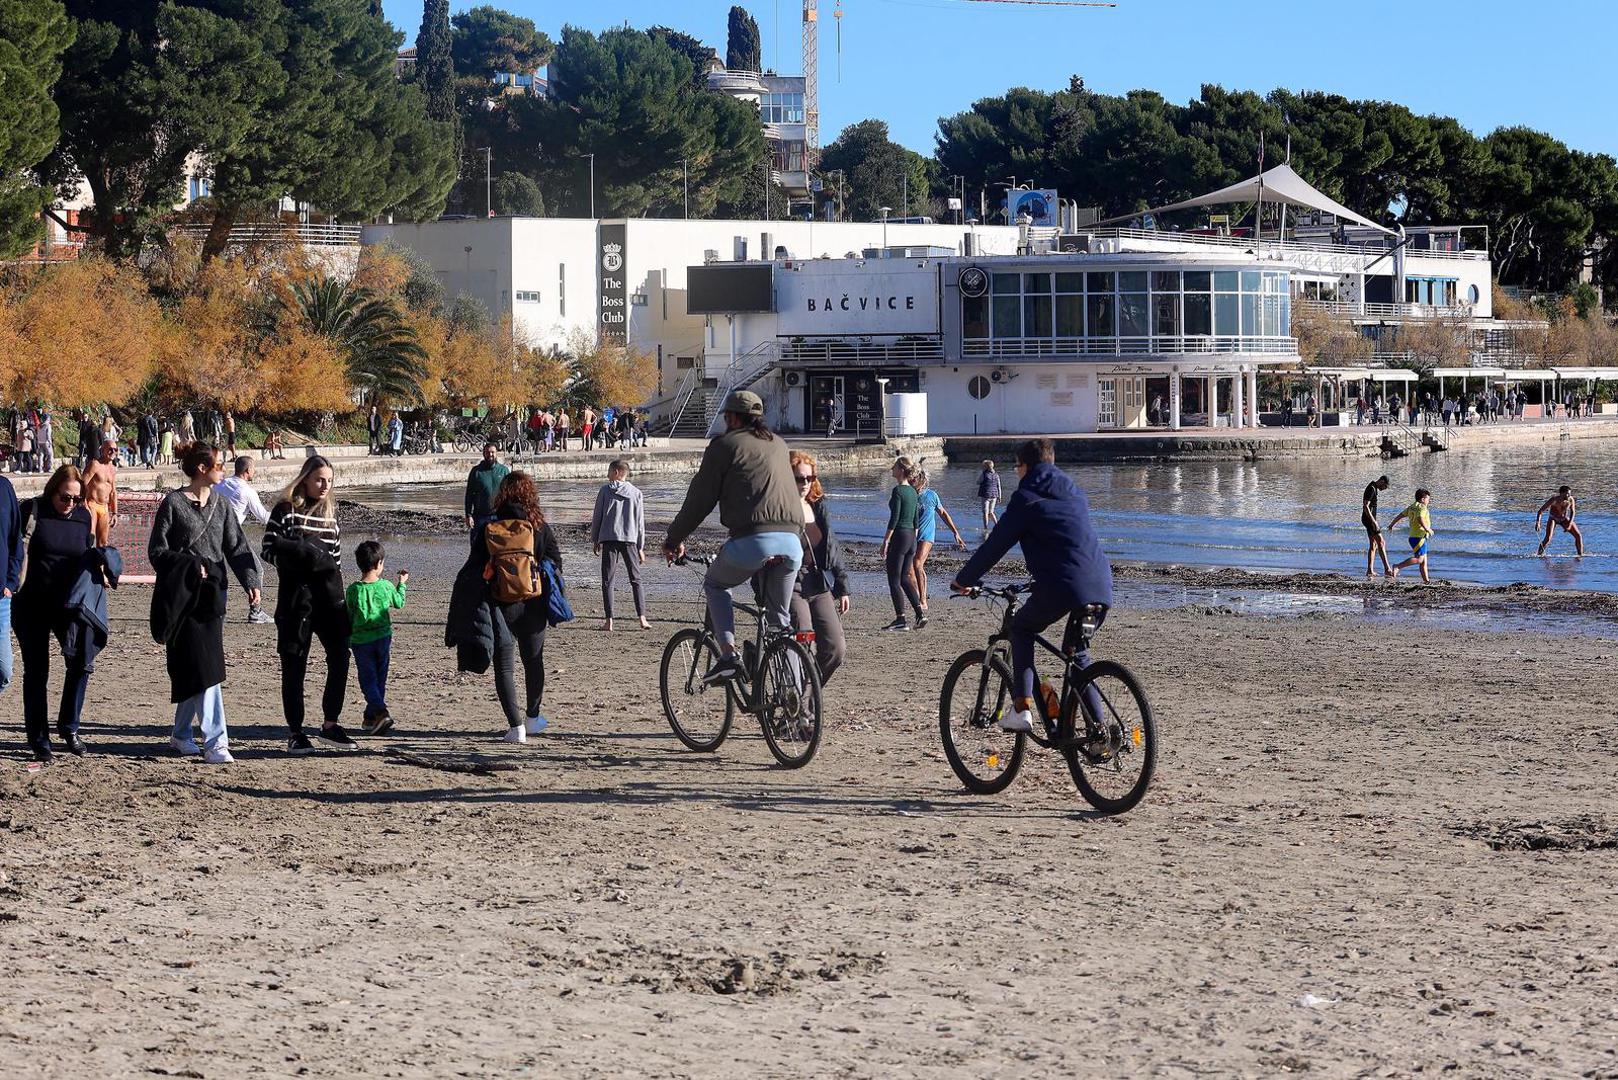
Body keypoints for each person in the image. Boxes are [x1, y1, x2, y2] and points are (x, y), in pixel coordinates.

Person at [950, 438, 1113, 735]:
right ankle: (1100, 732)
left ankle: (1022, 708)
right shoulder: (1074, 492)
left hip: (1064, 586)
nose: (1017, 473)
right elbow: (1067, 544)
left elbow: (995, 546)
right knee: (1077, 655)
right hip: (1101, 584)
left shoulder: (1026, 498)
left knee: (1022, 629)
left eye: (1017, 467)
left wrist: (964, 580)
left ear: (1025, 466)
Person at [662, 390, 802, 684]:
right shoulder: (779, 443)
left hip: (753, 541)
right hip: (792, 542)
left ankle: (728, 656)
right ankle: (795, 699)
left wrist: (673, 539)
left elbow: (699, 501)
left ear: (732, 417)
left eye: (726, 417)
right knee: (781, 623)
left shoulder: (724, 446)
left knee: (714, 584)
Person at [149, 445, 261, 764]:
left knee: (198, 665)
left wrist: (251, 583)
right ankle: (216, 743)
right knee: (204, 667)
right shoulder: (172, 503)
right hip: (182, 597)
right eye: (219, 465)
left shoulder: (222, 504)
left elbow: (237, 547)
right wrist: (187, 564)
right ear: (201, 467)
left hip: (214, 596)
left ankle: (182, 734)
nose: (223, 469)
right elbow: (157, 552)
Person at [449, 472, 562, 743]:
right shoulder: (539, 526)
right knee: (534, 662)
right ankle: (533, 718)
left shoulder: (490, 526)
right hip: (533, 603)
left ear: (502, 494)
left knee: (505, 668)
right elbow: (556, 561)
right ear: (530, 495)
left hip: (500, 604)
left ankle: (516, 728)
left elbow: (474, 569)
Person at [14, 466, 107, 762]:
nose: (69, 504)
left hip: (69, 605)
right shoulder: (32, 510)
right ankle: (39, 740)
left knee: (81, 662)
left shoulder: (82, 516)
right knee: (37, 671)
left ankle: (69, 727)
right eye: (65, 498)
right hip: (31, 604)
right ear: (52, 490)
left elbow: (86, 550)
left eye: (76, 499)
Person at [263, 455, 354, 753]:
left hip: (328, 599)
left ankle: (330, 724)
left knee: (340, 657)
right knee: (294, 664)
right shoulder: (286, 510)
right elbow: (267, 549)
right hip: (296, 599)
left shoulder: (331, 514)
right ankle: (295, 731)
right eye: (319, 479)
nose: (325, 485)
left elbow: (337, 560)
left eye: (329, 480)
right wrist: (296, 560)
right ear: (304, 479)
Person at [784, 450, 849, 683]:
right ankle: (802, 711)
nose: (805, 484)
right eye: (799, 478)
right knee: (803, 641)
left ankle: (807, 699)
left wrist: (842, 587)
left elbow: (831, 547)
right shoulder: (778, 508)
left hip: (819, 583)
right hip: (790, 584)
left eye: (809, 478)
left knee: (835, 649)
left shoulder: (817, 506)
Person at [347, 540, 408, 736]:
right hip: (381, 639)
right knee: (377, 678)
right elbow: (399, 603)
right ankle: (377, 713)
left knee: (369, 678)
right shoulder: (386, 586)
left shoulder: (353, 590)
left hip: (361, 641)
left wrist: (346, 637)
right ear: (379, 563)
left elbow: (348, 616)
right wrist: (402, 585)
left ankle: (373, 715)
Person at [589, 459, 650, 631]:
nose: (607, 475)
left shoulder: (604, 491)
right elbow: (640, 523)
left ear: (616, 472)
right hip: (630, 539)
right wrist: (641, 547)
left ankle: (609, 621)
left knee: (607, 580)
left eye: (609, 471)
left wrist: (595, 539)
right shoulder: (636, 492)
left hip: (609, 538)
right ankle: (642, 618)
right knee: (636, 579)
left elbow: (597, 516)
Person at [215, 456, 275, 623]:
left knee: (214, 572)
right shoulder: (247, 491)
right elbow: (264, 517)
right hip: (232, 536)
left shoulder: (221, 483)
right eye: (254, 469)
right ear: (248, 471)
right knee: (256, 570)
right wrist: (283, 517)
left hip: (213, 534)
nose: (254, 472)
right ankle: (256, 611)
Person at [878, 457, 925, 631]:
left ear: (901, 470)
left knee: (894, 579)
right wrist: (914, 538)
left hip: (900, 536)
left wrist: (886, 541)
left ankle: (901, 620)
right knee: (905, 577)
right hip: (912, 537)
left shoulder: (898, 491)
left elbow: (895, 518)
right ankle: (920, 614)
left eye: (895, 466)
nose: (892, 469)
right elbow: (916, 519)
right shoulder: (913, 491)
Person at [910, 467, 965, 616]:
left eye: (914, 478)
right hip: (910, 535)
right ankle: (918, 597)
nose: (911, 480)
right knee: (909, 571)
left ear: (921, 480)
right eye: (910, 478)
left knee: (917, 564)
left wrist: (956, 533)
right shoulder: (909, 495)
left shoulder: (931, 495)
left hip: (926, 536)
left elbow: (943, 514)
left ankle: (923, 601)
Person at [0, 465, 23, 700]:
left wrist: (11, 581)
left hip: (1, 597)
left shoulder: (4, 488)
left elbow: (15, 538)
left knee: (4, 670)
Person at [1388, 488, 1434, 583]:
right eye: (1428, 499)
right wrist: (1427, 529)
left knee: (1424, 561)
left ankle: (1426, 581)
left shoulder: (1412, 507)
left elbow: (1401, 515)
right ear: (1422, 499)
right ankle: (1397, 566)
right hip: (1419, 537)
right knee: (1420, 559)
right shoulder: (1422, 508)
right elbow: (1419, 519)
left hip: (1413, 537)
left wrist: (1392, 524)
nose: (1428, 501)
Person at [463, 443, 509, 531]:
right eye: (487, 452)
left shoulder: (504, 471)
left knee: (499, 544)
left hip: (500, 516)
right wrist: (468, 515)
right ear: (484, 454)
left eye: (492, 452)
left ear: (496, 453)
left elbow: (510, 494)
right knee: (478, 544)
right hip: (480, 516)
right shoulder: (476, 471)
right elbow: (469, 495)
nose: (490, 454)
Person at [82, 441, 118, 546]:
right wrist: (84, 505)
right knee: (89, 539)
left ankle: (100, 562)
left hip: (104, 508)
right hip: (92, 504)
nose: (113, 452)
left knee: (103, 543)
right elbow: (81, 485)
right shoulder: (95, 465)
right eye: (110, 449)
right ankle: (85, 561)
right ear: (102, 450)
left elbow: (113, 492)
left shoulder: (113, 468)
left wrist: (115, 513)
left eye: (115, 450)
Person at [1535, 485, 1585, 557]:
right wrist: (1538, 523)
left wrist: (1570, 524)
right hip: (1553, 519)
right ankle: (1539, 555)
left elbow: (1573, 512)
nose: (1568, 495)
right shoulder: (1554, 499)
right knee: (1548, 538)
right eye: (1567, 494)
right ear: (1561, 493)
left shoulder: (1570, 499)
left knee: (1578, 535)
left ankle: (1580, 555)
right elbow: (1540, 511)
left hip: (1564, 519)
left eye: (1570, 494)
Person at [1361, 475, 1394, 578]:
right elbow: (1365, 506)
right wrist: (1374, 522)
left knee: (1373, 545)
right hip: (1369, 520)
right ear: (1382, 481)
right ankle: (1387, 569)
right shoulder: (1371, 488)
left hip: (1368, 519)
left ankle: (1370, 570)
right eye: (1385, 486)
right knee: (1381, 542)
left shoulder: (1374, 488)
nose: (1384, 489)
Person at [978, 459, 1002, 529]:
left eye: (983, 466)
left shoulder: (984, 474)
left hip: (986, 495)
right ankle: (997, 525)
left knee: (985, 512)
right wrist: (999, 496)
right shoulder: (996, 475)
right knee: (991, 512)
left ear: (985, 467)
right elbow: (999, 486)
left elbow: (978, 482)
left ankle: (985, 528)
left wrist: (982, 474)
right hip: (994, 496)